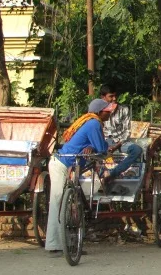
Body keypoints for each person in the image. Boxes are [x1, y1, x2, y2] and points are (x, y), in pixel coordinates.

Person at [44, 99, 116, 253]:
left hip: (70, 164)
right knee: (57, 202)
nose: (109, 113)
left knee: (68, 203)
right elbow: (102, 149)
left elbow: (90, 145)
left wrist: (90, 146)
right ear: (99, 112)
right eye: (107, 111)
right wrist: (109, 148)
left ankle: (68, 243)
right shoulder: (94, 124)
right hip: (62, 164)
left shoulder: (90, 122)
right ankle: (53, 244)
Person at [98, 85, 143, 188]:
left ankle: (112, 174)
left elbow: (127, 132)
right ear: (103, 97)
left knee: (137, 150)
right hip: (104, 141)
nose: (114, 99)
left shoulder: (124, 109)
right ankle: (97, 177)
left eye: (115, 96)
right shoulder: (98, 110)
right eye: (111, 96)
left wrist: (117, 146)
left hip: (120, 142)